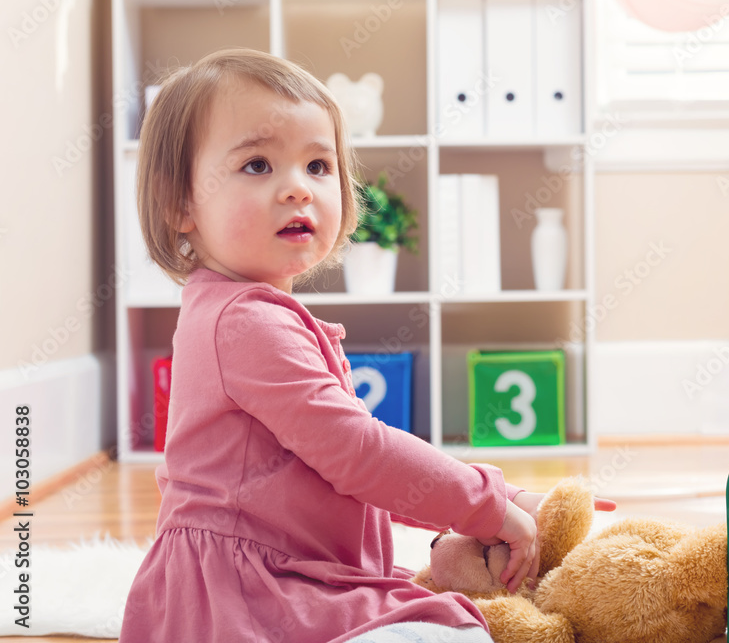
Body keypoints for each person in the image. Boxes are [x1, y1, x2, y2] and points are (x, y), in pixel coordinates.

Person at [119, 47, 599, 643]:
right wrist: (483, 505)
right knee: (446, 627)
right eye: (257, 165)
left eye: (317, 166)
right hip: (244, 591)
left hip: (277, 566)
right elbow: (359, 454)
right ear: (179, 204)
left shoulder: (240, 310)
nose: (297, 189)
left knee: (416, 595)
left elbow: (346, 471)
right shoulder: (246, 325)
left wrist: (502, 495)